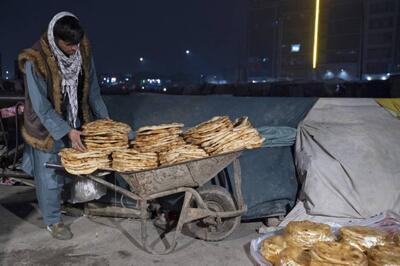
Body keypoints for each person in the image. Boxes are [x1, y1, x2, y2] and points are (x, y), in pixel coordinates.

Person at [18, 11, 109, 240]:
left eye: (77, 44)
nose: (74, 49)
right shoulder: (35, 61)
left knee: (78, 164)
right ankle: (53, 221)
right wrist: (66, 130)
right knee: (49, 173)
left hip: (75, 117)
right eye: (69, 44)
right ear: (54, 40)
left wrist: (106, 121)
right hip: (44, 126)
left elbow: (93, 92)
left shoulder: (82, 51)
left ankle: (77, 201)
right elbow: (42, 107)